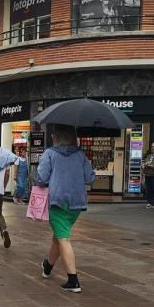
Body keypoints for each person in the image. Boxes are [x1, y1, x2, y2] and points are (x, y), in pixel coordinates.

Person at [37, 124, 95, 293]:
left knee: (63, 239)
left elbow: (42, 178)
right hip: (76, 203)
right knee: (58, 236)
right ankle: (47, 266)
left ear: (56, 136)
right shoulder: (81, 155)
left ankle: (73, 280)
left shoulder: (50, 153)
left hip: (57, 202)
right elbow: (90, 178)